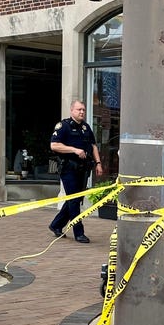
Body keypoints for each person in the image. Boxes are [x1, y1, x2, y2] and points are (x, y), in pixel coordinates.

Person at [48, 100, 103, 243]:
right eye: (79, 109)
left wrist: (98, 163)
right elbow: (54, 145)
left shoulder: (86, 127)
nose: (82, 112)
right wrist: (74, 150)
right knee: (73, 199)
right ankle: (79, 232)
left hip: (83, 169)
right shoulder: (63, 126)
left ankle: (56, 225)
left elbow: (93, 146)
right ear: (72, 110)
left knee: (76, 199)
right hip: (68, 169)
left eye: (83, 110)